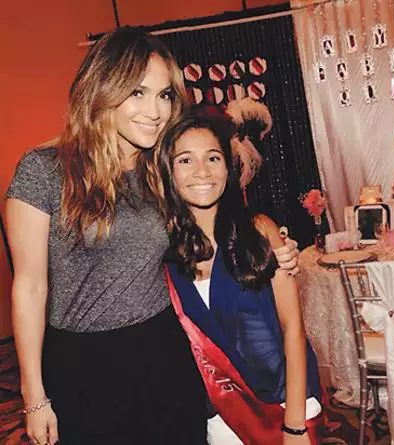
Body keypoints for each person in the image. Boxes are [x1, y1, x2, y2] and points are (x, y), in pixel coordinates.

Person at [4, 27, 298, 445]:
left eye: (164, 95)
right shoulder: (44, 170)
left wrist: (273, 245)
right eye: (138, 93)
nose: (156, 110)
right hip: (82, 363)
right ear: (103, 89)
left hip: (164, 350)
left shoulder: (161, 168)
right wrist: (33, 395)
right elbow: (30, 287)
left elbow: (217, 217)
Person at [153, 111, 323, 444]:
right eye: (185, 160)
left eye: (212, 158)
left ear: (228, 167)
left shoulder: (259, 230)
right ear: (168, 172)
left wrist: (295, 424)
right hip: (221, 415)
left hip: (286, 401)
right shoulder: (163, 252)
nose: (202, 171)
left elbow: (293, 328)